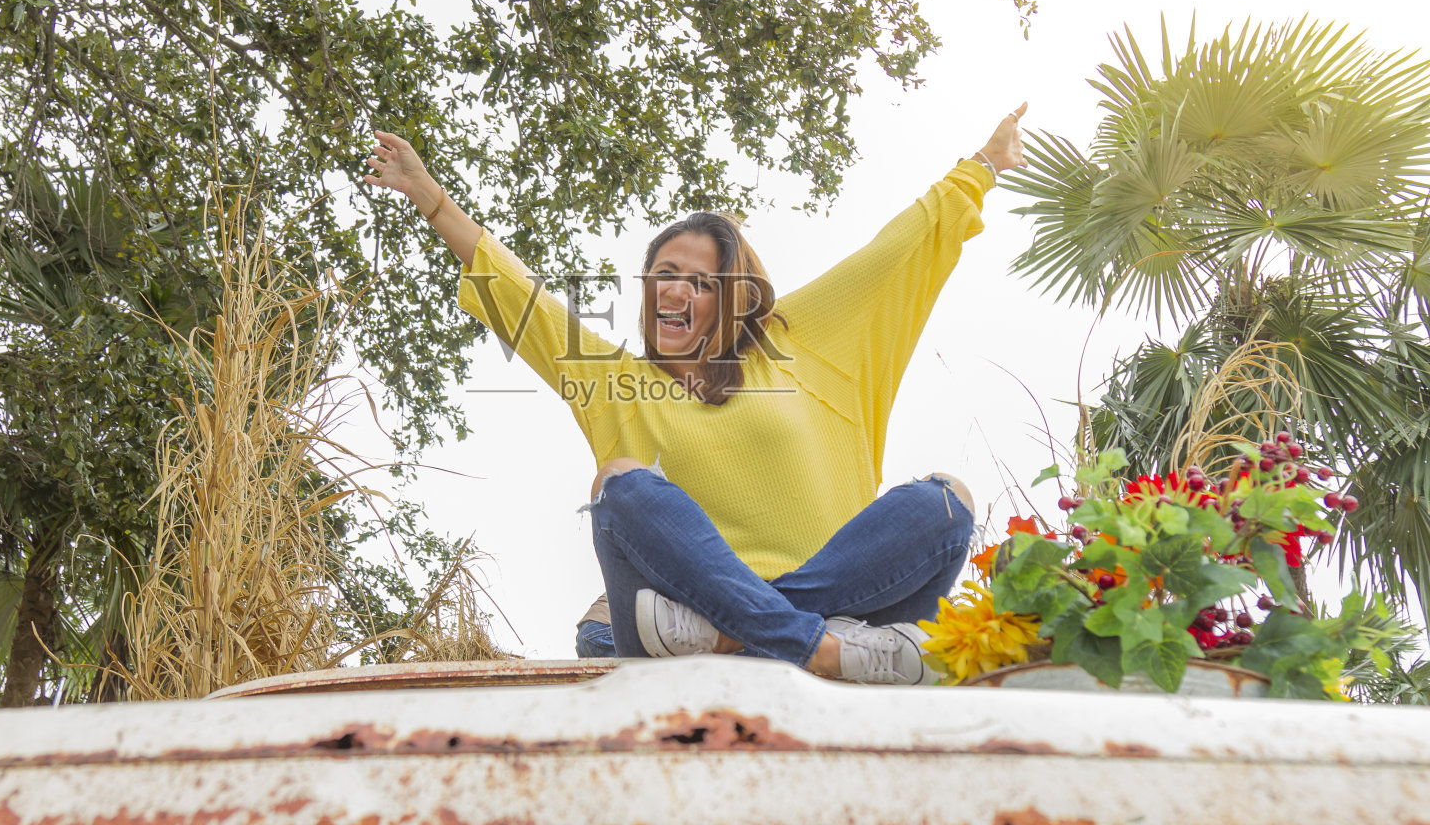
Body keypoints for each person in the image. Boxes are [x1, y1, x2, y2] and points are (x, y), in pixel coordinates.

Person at [365, 104, 1027, 683]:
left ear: (734, 298)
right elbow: (517, 297)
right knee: (621, 482)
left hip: (740, 623)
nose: (676, 289)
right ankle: (811, 645)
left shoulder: (797, 345)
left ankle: (738, 633)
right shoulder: (615, 382)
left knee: (945, 503)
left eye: (700, 280)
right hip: (803, 638)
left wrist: (984, 167)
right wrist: (429, 195)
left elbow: (900, 252)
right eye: (663, 275)